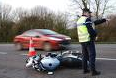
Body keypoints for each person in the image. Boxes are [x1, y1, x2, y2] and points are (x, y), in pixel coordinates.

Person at [77, 8, 107, 76]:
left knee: (84, 56)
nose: (89, 14)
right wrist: (96, 34)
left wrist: (104, 20)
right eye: (88, 12)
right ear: (85, 12)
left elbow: (94, 23)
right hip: (88, 40)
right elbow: (90, 30)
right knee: (92, 55)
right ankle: (93, 72)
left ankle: (85, 70)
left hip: (82, 40)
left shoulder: (79, 20)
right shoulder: (86, 19)